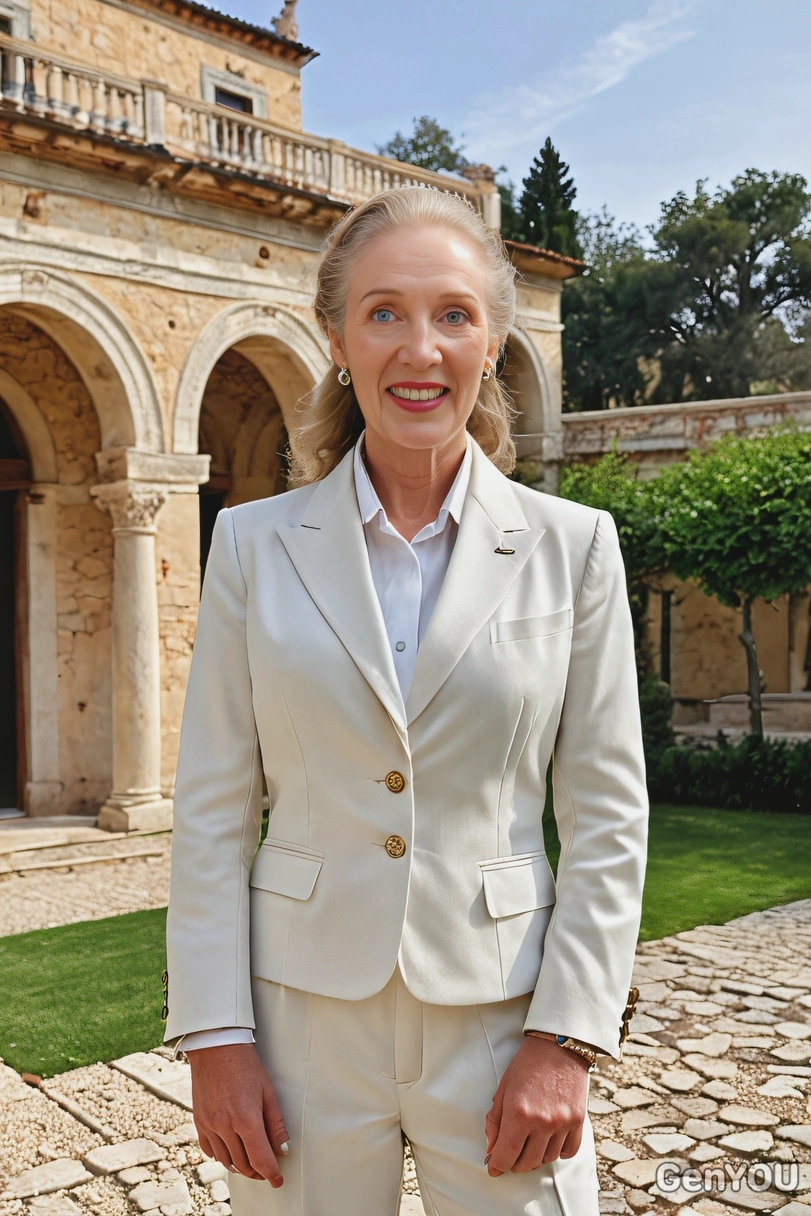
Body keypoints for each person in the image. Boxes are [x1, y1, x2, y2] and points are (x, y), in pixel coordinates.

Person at [164, 185, 649, 1216]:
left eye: (453, 314)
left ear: (492, 341)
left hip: (504, 1015)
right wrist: (215, 1037)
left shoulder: (574, 550)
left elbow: (608, 818)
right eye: (383, 312)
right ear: (337, 337)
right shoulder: (252, 547)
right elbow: (210, 810)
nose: (418, 348)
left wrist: (565, 1039)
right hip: (299, 1027)